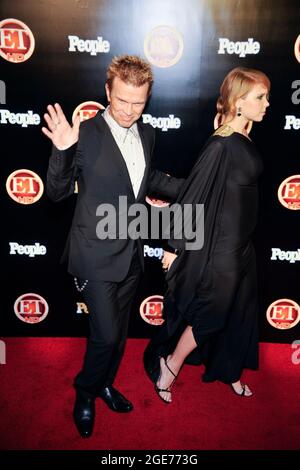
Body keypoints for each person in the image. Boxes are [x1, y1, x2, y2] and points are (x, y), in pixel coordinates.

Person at [42, 55, 184, 437]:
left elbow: (147, 177)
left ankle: (105, 382)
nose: (128, 110)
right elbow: (56, 193)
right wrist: (62, 150)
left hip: (131, 256)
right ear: (107, 91)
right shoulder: (84, 133)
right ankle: (86, 390)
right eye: (121, 100)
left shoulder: (149, 133)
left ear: (147, 98)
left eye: (138, 103)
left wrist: (192, 188)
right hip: (92, 256)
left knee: (118, 335)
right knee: (104, 335)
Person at [144, 66, 270, 403]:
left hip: (243, 246)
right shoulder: (222, 143)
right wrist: (172, 247)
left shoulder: (242, 135)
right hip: (222, 251)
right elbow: (195, 193)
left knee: (241, 313)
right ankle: (170, 365)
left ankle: (230, 370)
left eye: (266, 96)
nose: (267, 103)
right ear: (238, 102)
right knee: (211, 315)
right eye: (260, 97)